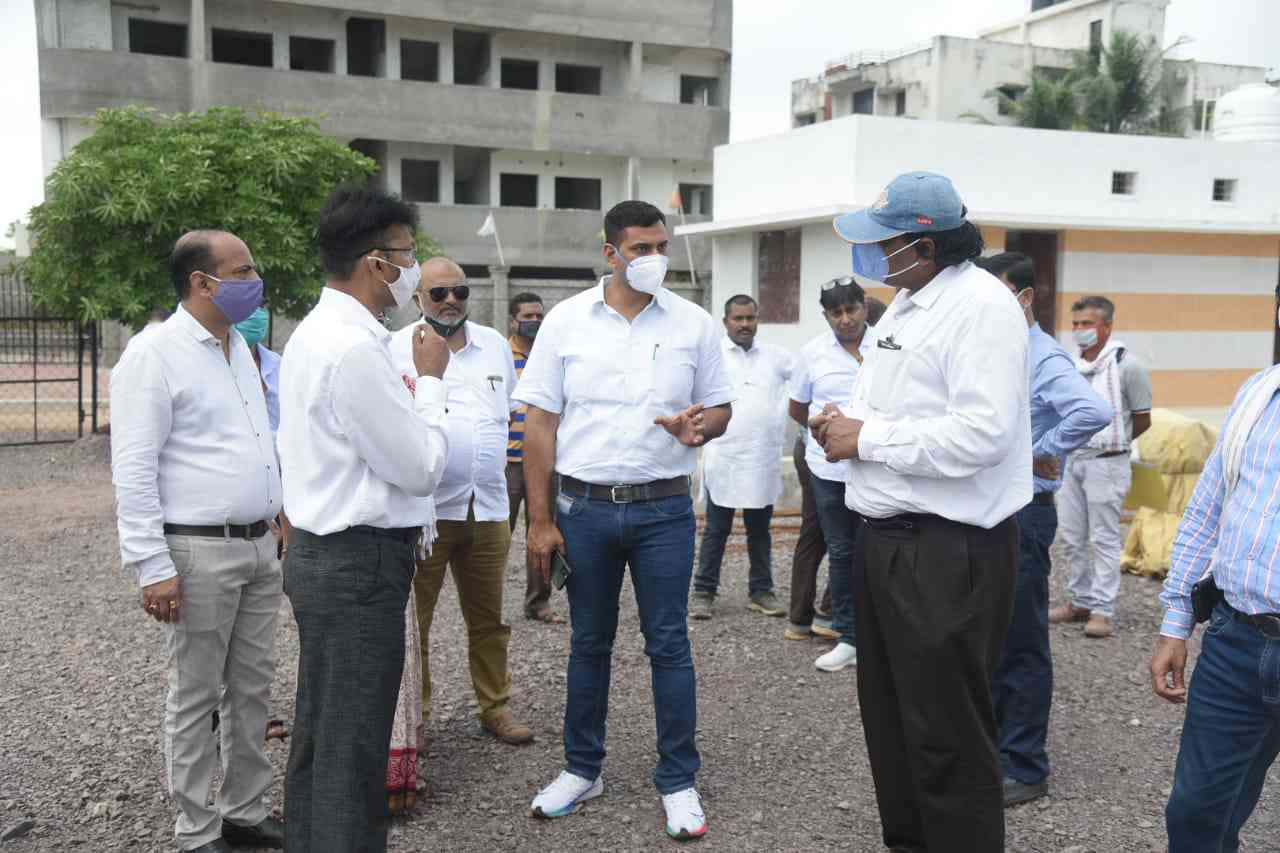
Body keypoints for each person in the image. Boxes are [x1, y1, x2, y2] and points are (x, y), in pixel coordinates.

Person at [813, 171, 1031, 852]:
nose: (874, 254)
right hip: (888, 542)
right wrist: (841, 423)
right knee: (892, 723)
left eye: (886, 241)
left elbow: (983, 434)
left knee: (947, 738)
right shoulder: (905, 305)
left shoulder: (981, 307)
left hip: (945, 550)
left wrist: (867, 437)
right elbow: (893, 408)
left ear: (926, 244)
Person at [515, 200, 734, 841]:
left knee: (669, 645)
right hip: (582, 510)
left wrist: (702, 424)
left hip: (665, 509)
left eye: (661, 246)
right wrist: (540, 519)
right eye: (640, 248)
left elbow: (720, 408)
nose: (654, 259)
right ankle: (583, 769)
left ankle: (678, 779)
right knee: (589, 644)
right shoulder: (565, 322)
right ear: (610, 253)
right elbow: (540, 424)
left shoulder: (694, 323)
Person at [278, 186, 451, 853]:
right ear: (377, 263)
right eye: (409, 255)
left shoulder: (316, 334)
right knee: (352, 748)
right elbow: (418, 466)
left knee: (324, 735)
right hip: (358, 561)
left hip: (328, 552)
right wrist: (431, 383)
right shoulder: (352, 348)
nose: (416, 270)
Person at [110, 230, 284, 853]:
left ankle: (243, 810)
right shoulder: (153, 355)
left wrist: (279, 508)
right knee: (195, 694)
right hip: (197, 550)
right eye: (242, 271)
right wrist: (152, 564)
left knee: (252, 688)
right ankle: (195, 827)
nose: (254, 281)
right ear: (200, 283)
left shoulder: (240, 347)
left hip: (260, 547)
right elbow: (133, 467)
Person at [976, 252, 1112, 807]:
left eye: (998, 292)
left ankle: (1026, 764)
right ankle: (994, 746)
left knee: (1020, 639)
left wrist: (1040, 453)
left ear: (1025, 297)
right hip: (992, 510)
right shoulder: (995, 348)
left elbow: (1092, 411)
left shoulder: (1041, 355)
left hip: (1025, 513)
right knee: (988, 635)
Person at [390, 257, 534, 746]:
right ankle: (418, 715)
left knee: (490, 620)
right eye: (438, 294)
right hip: (426, 515)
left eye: (460, 291)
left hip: (489, 508)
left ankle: (495, 707)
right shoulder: (395, 350)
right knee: (417, 623)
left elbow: (515, 419)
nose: (451, 301)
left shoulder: (494, 346)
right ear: (417, 299)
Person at [1151, 308, 1280, 851]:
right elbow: (1208, 509)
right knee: (1196, 816)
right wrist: (1176, 621)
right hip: (1236, 642)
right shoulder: (1259, 395)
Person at [785, 278, 876, 675]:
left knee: (882, 547)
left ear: (865, 306)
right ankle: (849, 637)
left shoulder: (888, 344)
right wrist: (818, 424)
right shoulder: (811, 354)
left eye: (851, 309)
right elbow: (796, 408)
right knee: (841, 550)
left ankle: (881, 634)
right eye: (835, 313)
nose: (845, 319)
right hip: (828, 469)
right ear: (826, 316)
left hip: (878, 461)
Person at [1051, 295, 1153, 638]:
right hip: (1071, 461)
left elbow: (1141, 419)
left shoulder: (1128, 366)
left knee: (1105, 538)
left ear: (1106, 326)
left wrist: (1115, 442)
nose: (1080, 331)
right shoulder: (1069, 365)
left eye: (1087, 324)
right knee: (1071, 536)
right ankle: (1079, 600)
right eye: (1076, 324)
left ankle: (1102, 610)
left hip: (1107, 463)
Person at [689, 294, 793, 620]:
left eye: (750, 318)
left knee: (759, 530)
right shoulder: (713, 356)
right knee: (717, 529)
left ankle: (761, 591)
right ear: (726, 322)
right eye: (739, 319)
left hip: (761, 456)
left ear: (757, 319)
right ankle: (704, 592)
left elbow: (805, 379)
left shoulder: (776, 356)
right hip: (725, 456)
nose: (745, 325)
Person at [506, 291, 562, 623]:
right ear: (513, 320)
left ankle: (538, 602)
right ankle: (484, 602)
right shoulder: (500, 354)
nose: (535, 322)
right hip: (508, 463)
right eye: (527, 317)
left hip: (544, 461)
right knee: (498, 534)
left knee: (543, 530)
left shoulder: (549, 355)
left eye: (539, 316)